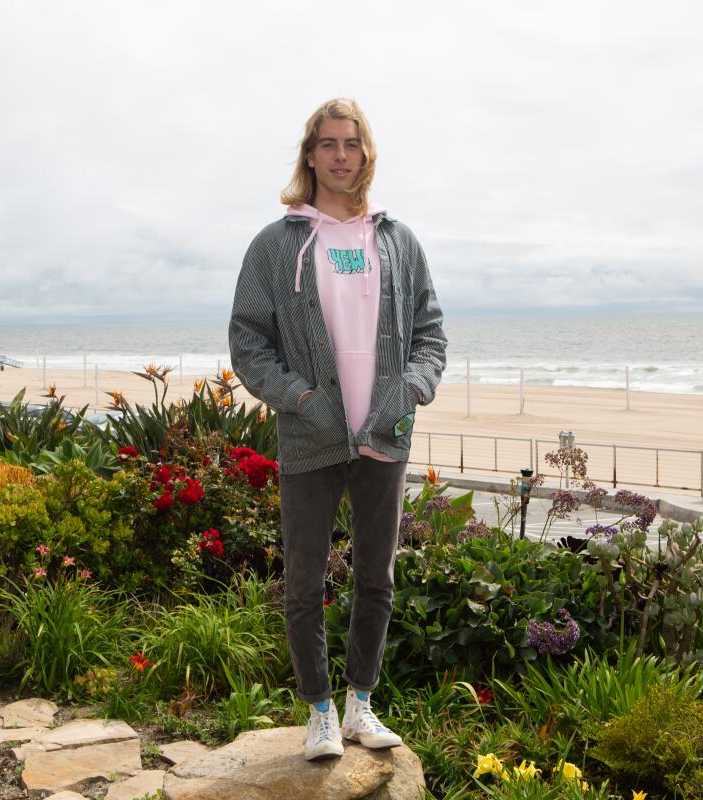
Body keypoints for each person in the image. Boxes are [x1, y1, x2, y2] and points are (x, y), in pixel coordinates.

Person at [228, 98, 447, 760]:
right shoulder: (278, 245)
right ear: (310, 155)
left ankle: (361, 705)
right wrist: (296, 394)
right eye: (328, 144)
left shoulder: (397, 242)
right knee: (305, 582)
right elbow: (248, 338)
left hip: (383, 435)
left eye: (352, 143)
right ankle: (319, 709)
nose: (342, 155)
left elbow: (431, 333)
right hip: (311, 436)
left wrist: (409, 389)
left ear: (366, 153)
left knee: (375, 577)